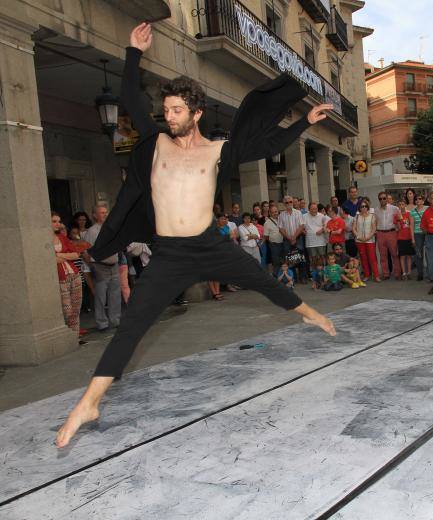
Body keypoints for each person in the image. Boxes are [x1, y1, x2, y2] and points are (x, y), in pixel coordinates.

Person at [55, 23, 336, 449]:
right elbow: (130, 97)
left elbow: (265, 143)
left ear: (196, 113)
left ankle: (308, 312)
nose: (168, 117)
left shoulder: (218, 150)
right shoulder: (154, 145)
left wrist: (303, 124)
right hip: (169, 253)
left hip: (209, 243)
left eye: (176, 111)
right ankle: (89, 403)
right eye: (165, 110)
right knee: (132, 326)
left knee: (262, 279)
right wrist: (133, 53)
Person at [81, 203, 122, 332]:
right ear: (95, 215)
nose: (105, 214)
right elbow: (86, 251)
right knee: (100, 296)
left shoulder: (111, 228)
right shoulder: (92, 232)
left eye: (106, 212)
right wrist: (92, 266)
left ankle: (115, 320)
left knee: (115, 294)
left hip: (114, 264)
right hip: (100, 266)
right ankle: (102, 323)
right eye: (102, 212)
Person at [52, 211, 83, 337]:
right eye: (54, 221)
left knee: (76, 308)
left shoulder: (62, 238)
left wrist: (59, 255)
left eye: (59, 221)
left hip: (74, 274)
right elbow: (49, 259)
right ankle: (67, 337)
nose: (58, 224)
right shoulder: (42, 240)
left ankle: (75, 337)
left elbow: (76, 254)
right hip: (60, 278)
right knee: (67, 310)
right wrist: (66, 256)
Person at [374, 191, 402, 280]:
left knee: (394, 254)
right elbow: (374, 222)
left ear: (387, 198)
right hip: (380, 233)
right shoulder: (376, 210)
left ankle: (397, 273)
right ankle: (386, 274)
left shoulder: (395, 208)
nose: (382, 200)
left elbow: (400, 219)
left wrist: (399, 228)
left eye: (384, 198)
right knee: (383, 256)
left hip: (391, 233)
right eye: (380, 199)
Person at [279, 196, 306, 282]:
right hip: (287, 240)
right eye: (286, 202)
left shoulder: (298, 213)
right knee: (290, 259)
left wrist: (294, 237)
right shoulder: (281, 215)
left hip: (298, 238)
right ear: (284, 204)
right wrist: (289, 238)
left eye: (290, 202)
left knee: (301, 258)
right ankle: (293, 278)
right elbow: (280, 228)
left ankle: (303, 277)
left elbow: (302, 226)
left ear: (292, 202)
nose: (289, 204)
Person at [353, 201, 378, 281]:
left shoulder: (372, 216)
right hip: (359, 241)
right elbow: (354, 228)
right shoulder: (356, 217)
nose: (363, 208)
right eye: (361, 206)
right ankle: (366, 275)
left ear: (367, 207)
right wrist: (358, 237)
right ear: (359, 208)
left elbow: (374, 228)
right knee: (363, 258)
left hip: (370, 240)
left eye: (365, 206)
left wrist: (368, 237)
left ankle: (376, 276)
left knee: (372, 258)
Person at [304, 201, 329, 274]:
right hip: (310, 241)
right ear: (309, 209)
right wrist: (303, 231)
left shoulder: (322, 216)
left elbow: (326, 225)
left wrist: (322, 230)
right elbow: (301, 226)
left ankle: (324, 272)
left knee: (322, 257)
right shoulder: (304, 216)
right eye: (312, 209)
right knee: (313, 258)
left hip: (321, 241)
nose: (314, 210)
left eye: (316, 209)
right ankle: (314, 273)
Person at [410, 194, 428, 281]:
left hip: (427, 233)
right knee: (419, 255)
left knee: (429, 254)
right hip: (417, 234)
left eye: (420, 198)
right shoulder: (412, 212)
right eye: (416, 199)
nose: (418, 200)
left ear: (423, 200)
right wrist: (412, 238)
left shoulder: (428, 209)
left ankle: (430, 273)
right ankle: (420, 274)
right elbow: (411, 226)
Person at [396, 200, 415, 280]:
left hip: (408, 237)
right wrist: (399, 219)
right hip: (401, 238)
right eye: (400, 204)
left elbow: (411, 226)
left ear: (405, 205)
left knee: (409, 256)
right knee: (402, 256)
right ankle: (404, 273)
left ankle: (409, 272)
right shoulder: (397, 215)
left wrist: (413, 238)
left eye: (403, 204)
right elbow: (399, 228)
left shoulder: (409, 214)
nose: (401, 206)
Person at [264, 205, 284, 274]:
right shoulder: (267, 223)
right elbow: (266, 236)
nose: (275, 213)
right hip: (274, 245)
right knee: (276, 262)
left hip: (283, 243)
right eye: (273, 212)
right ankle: (276, 277)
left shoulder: (282, 219)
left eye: (276, 211)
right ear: (270, 213)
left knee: (283, 261)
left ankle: (284, 277)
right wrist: (272, 241)